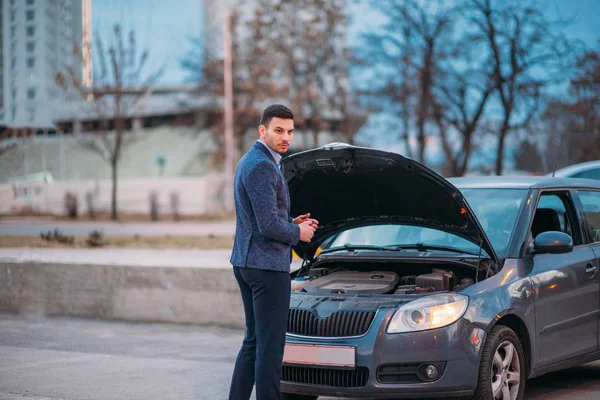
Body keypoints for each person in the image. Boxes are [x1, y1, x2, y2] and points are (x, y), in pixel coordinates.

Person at [229, 104, 318, 400]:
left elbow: (260, 219)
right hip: (265, 267)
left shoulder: (251, 161)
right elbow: (267, 225)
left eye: (290, 131)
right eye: (279, 130)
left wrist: (291, 223)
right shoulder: (261, 166)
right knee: (269, 347)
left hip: (248, 262)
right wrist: (298, 233)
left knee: (254, 342)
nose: (286, 137)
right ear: (262, 130)